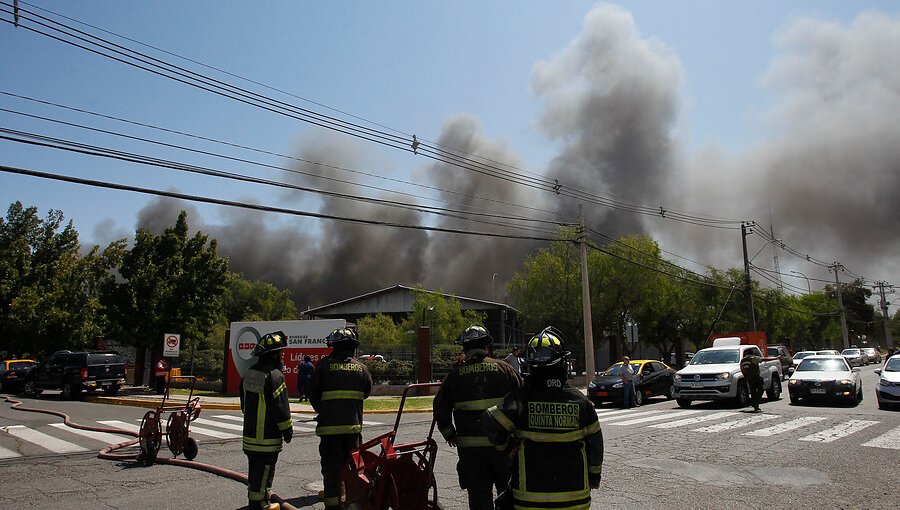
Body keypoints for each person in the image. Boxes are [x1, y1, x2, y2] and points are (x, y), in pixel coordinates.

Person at [483, 327, 604, 510]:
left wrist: (507, 447)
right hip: (574, 500)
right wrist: (594, 477)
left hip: (529, 500)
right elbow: (596, 444)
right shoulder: (581, 402)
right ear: (562, 362)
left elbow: (489, 422)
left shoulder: (520, 399)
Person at [434, 325, 523, 510]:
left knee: (478, 498)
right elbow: (523, 400)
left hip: (471, 453)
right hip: (504, 449)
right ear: (488, 346)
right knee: (508, 496)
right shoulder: (505, 369)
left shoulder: (455, 375)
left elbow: (440, 409)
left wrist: (449, 433)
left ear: (465, 349)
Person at [309, 328, 373, 510]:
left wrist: (324, 409)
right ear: (353, 347)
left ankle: (333, 506)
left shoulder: (323, 367)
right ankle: (353, 504)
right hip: (353, 432)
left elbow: (312, 392)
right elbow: (366, 392)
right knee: (354, 470)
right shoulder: (362, 368)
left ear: (333, 346)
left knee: (331, 471)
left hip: (329, 432)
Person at [240, 330, 293, 510]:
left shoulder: (248, 373)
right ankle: (260, 505)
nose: (282, 356)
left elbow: (243, 405)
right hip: (267, 440)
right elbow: (280, 408)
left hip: (250, 437)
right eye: (281, 352)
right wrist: (287, 431)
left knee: (254, 474)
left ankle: (255, 501)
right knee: (264, 476)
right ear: (274, 354)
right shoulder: (275, 376)